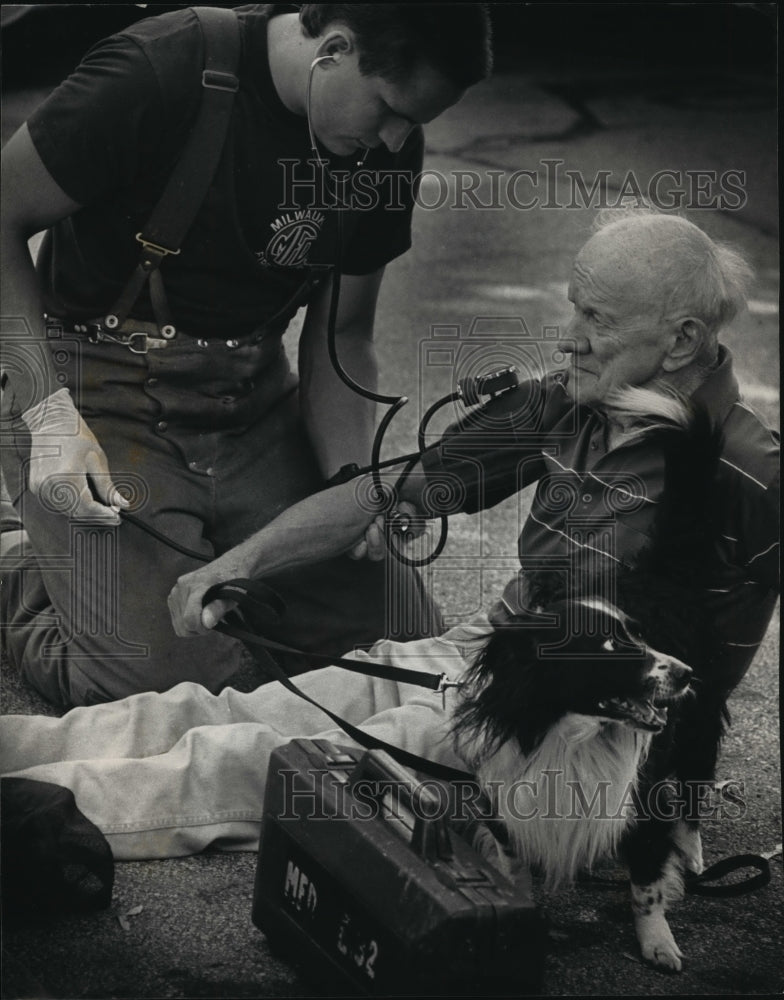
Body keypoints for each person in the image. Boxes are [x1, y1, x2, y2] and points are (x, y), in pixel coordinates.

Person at [1, 211, 779, 861]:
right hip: (494, 652)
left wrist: (673, 801)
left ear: (679, 343)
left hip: (576, 728)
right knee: (210, 711)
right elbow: (388, 488)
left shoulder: (748, 473)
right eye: (572, 307)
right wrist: (232, 567)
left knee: (250, 765)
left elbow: (691, 683)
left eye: (596, 319)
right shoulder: (567, 400)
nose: (567, 337)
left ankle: (23, 813)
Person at [0, 4, 494, 709]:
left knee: (402, 649)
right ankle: (22, 573)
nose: (395, 140)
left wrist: (354, 490)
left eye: (414, 123)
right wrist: (47, 417)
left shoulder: (384, 148)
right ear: (335, 49)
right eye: (388, 108)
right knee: (163, 690)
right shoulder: (157, 71)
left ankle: (178, 576)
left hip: (250, 404)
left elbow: (345, 335)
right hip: (94, 398)